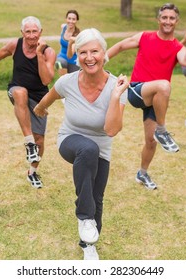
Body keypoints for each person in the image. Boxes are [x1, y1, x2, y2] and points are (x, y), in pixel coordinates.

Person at [34, 28, 129, 260]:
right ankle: (84, 217)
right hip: (70, 141)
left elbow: (111, 130)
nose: (89, 57)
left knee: (97, 197)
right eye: (83, 52)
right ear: (77, 56)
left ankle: (88, 245)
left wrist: (115, 97)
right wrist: (39, 109)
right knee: (88, 149)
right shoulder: (68, 82)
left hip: (102, 150)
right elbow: (50, 97)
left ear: (104, 53)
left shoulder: (117, 87)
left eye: (94, 51)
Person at [106, 3, 186, 190]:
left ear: (176, 21)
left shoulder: (176, 47)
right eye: (164, 17)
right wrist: (101, 60)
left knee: (151, 142)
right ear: (158, 19)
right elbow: (122, 45)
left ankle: (142, 173)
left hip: (156, 99)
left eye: (171, 18)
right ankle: (163, 130)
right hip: (136, 91)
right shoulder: (145, 37)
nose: (167, 21)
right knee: (164, 85)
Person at [0, 16, 56, 188]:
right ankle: (29, 143)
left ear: (41, 32)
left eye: (35, 31)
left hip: (39, 97)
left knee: (40, 140)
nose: (32, 35)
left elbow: (46, 79)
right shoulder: (15, 45)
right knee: (20, 92)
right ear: (22, 33)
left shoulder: (48, 52)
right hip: (17, 90)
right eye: (28, 31)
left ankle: (32, 172)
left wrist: (39, 54)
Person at [55, 10, 80, 76]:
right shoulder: (64, 27)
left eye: (73, 19)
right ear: (66, 19)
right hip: (61, 57)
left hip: (73, 61)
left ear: (76, 20)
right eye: (69, 18)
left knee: (72, 82)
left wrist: (70, 43)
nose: (71, 21)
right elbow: (62, 25)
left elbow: (70, 56)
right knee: (61, 63)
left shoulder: (77, 36)